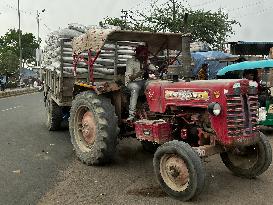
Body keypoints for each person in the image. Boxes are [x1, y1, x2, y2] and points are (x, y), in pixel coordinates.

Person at [125, 45, 157, 121]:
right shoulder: (131, 61)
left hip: (142, 81)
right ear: (137, 54)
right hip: (131, 82)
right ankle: (131, 115)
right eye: (142, 54)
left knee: (153, 85)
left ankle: (149, 108)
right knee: (135, 88)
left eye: (145, 54)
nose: (144, 56)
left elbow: (153, 68)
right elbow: (129, 77)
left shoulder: (146, 60)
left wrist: (156, 70)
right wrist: (138, 74)